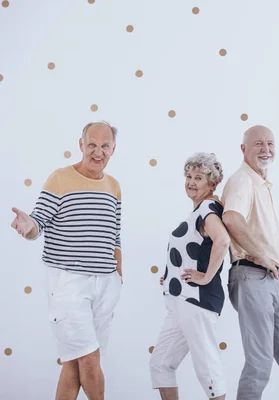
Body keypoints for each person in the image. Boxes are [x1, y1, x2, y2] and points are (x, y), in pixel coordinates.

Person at [10, 121, 123, 400]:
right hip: (68, 283)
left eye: (104, 146)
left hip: (106, 284)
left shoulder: (113, 186)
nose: (98, 152)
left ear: (113, 149)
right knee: (89, 358)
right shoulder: (60, 178)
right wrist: (28, 228)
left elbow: (115, 234)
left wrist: (119, 274)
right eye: (92, 145)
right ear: (81, 145)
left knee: (74, 361)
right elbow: (38, 222)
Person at [220, 125, 279, 400]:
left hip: (273, 281)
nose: (266, 150)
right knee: (260, 363)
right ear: (243, 149)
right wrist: (262, 254)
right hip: (253, 276)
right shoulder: (242, 180)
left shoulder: (261, 183)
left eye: (270, 144)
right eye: (258, 144)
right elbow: (232, 218)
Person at [149, 152, 230, 400]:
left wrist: (205, 277)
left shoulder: (207, 207)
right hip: (180, 300)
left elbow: (223, 240)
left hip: (197, 300)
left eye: (199, 178)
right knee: (160, 363)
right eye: (188, 176)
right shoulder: (197, 212)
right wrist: (170, 276)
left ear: (212, 183)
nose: (191, 182)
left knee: (208, 370)